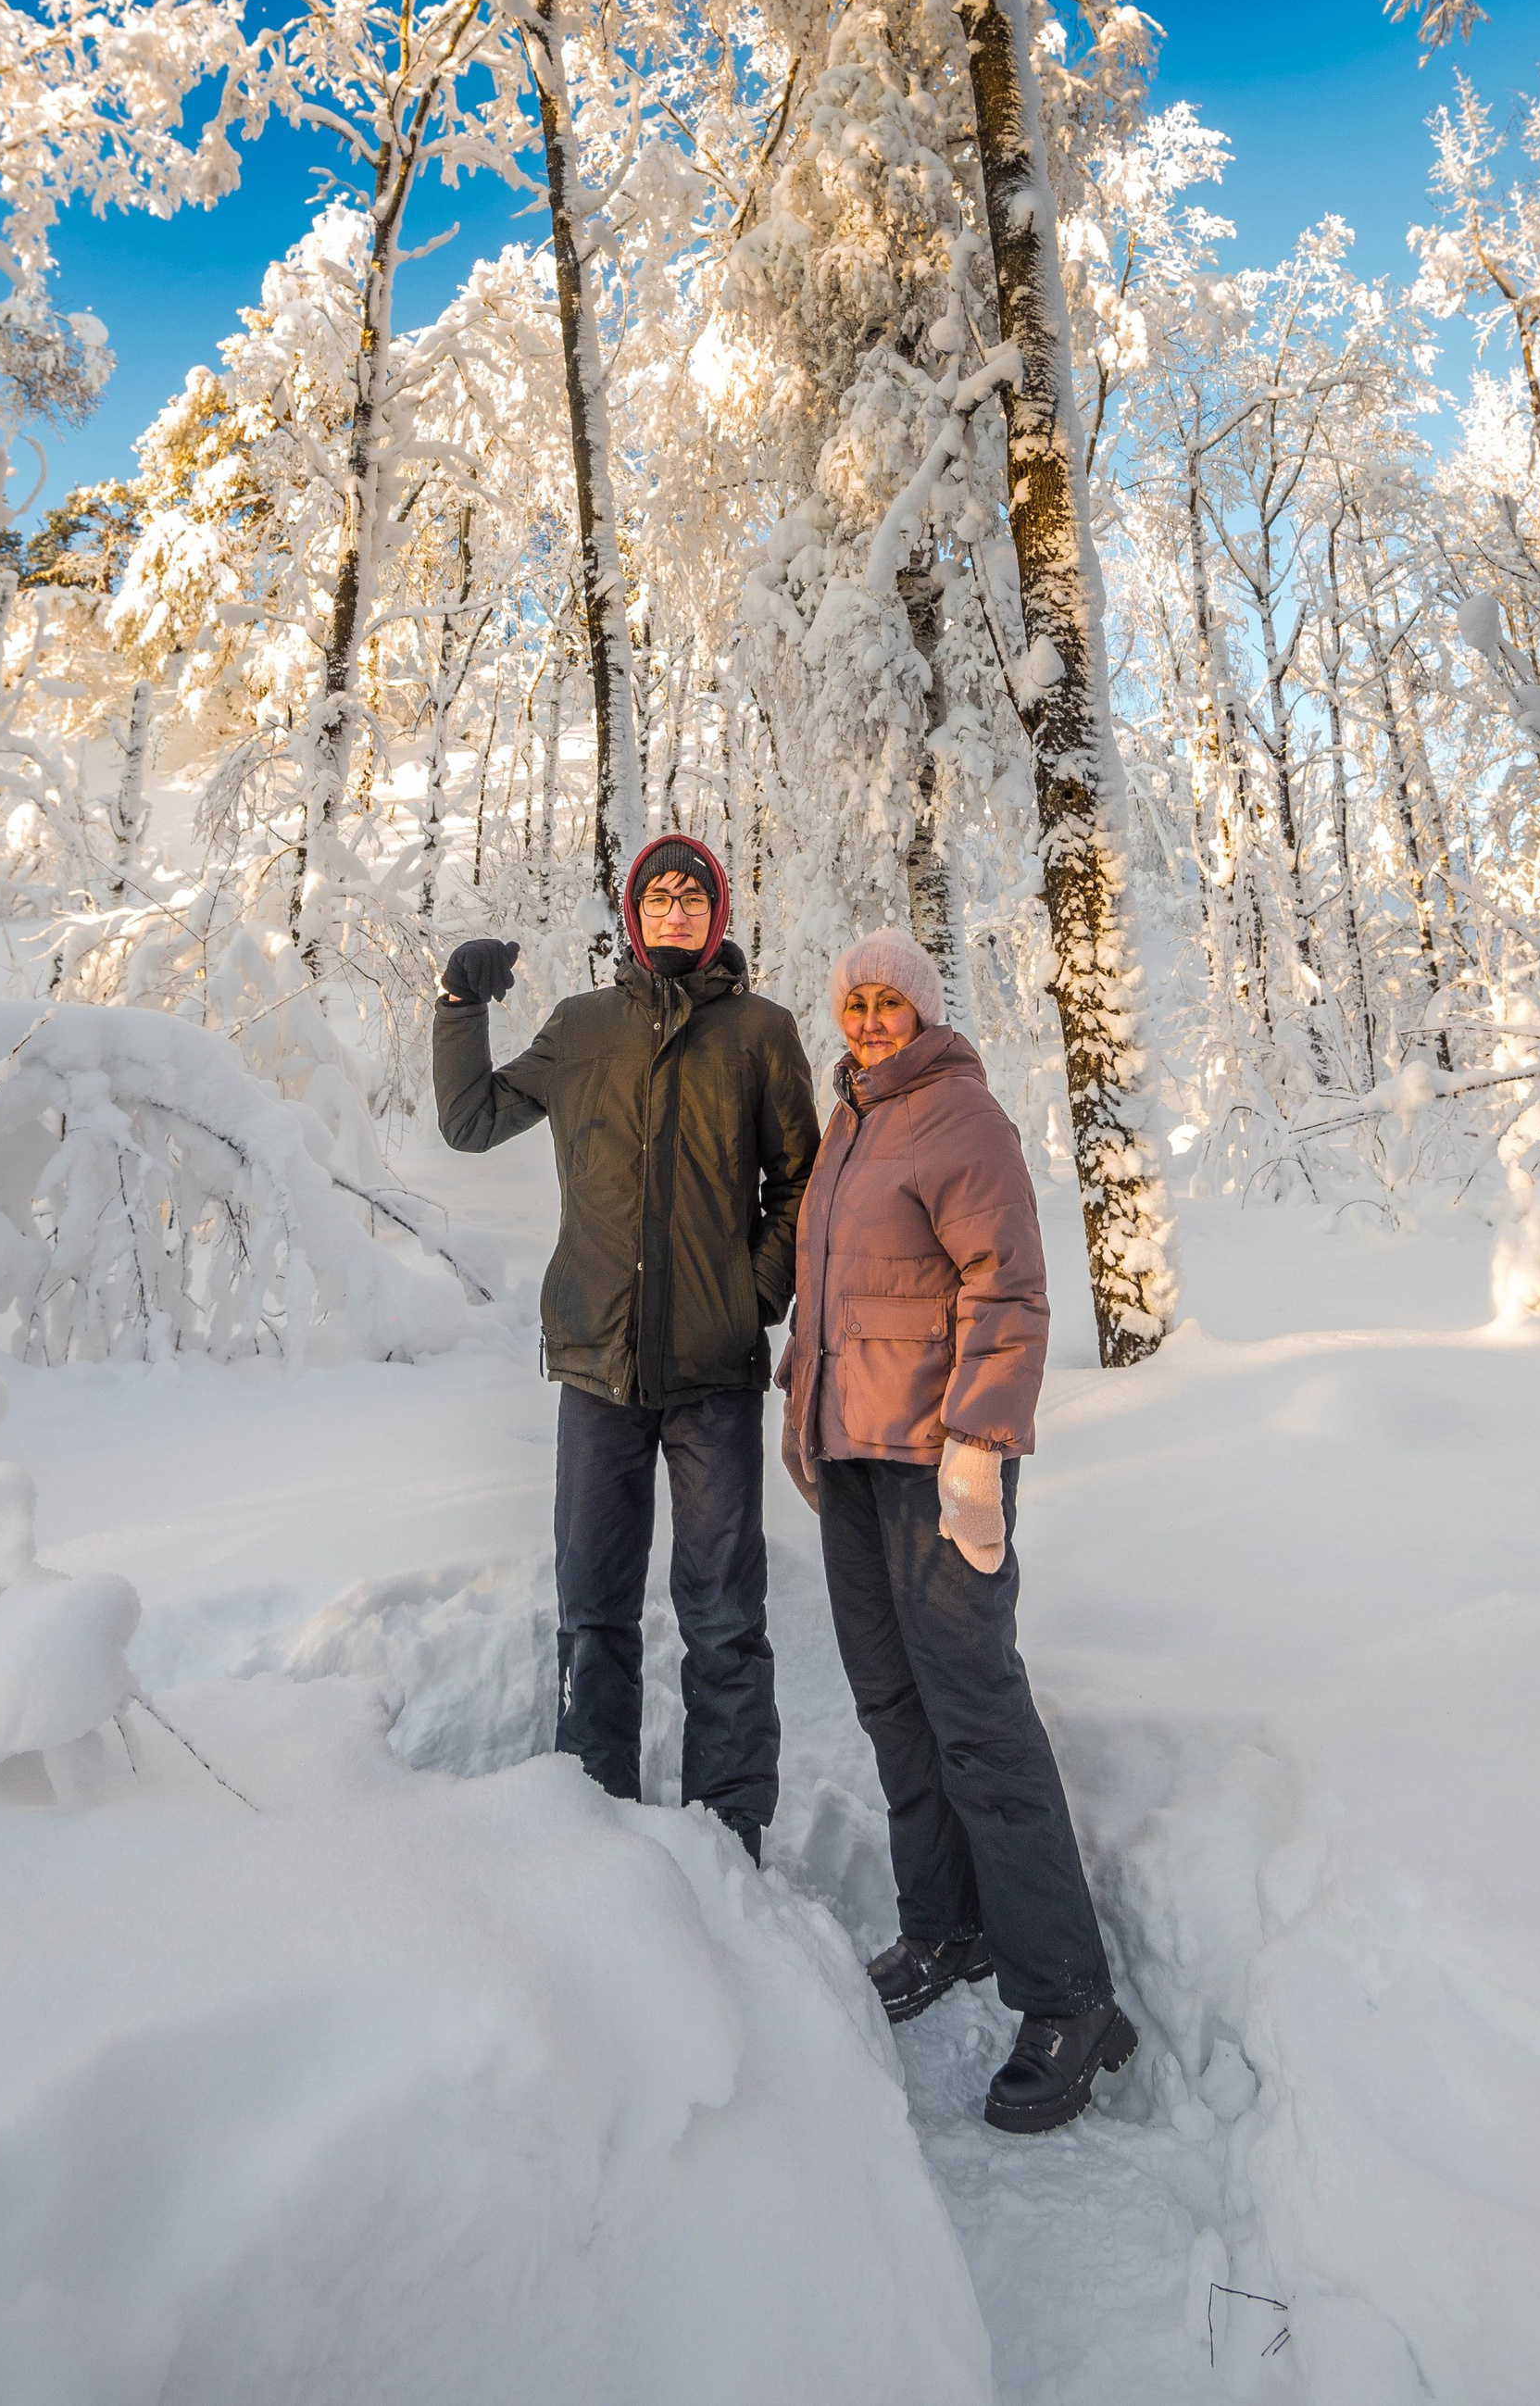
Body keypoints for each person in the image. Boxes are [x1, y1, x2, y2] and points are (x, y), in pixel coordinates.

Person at [778, 924, 1136, 2136]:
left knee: (976, 1713)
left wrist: (980, 1445)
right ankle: (947, 1925)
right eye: (856, 1001)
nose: (871, 1016)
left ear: (923, 1010)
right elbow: (834, 1299)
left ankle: (1068, 1994)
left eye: (890, 999)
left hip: (940, 1463)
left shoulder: (960, 1115)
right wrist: (804, 1418)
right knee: (895, 1705)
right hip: (856, 1459)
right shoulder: (854, 1121)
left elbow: (1010, 1286)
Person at [432, 835, 819, 1861]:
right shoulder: (581, 1028)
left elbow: (801, 1185)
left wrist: (752, 1295)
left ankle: (729, 1836)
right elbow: (470, 1122)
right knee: (593, 1609)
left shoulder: (761, 1033)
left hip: (713, 1375)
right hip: (598, 1370)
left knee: (724, 1616)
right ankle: (589, 1831)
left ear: (719, 914)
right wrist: (458, 1008)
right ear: (633, 914)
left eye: (696, 895)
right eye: (660, 894)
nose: (677, 908)